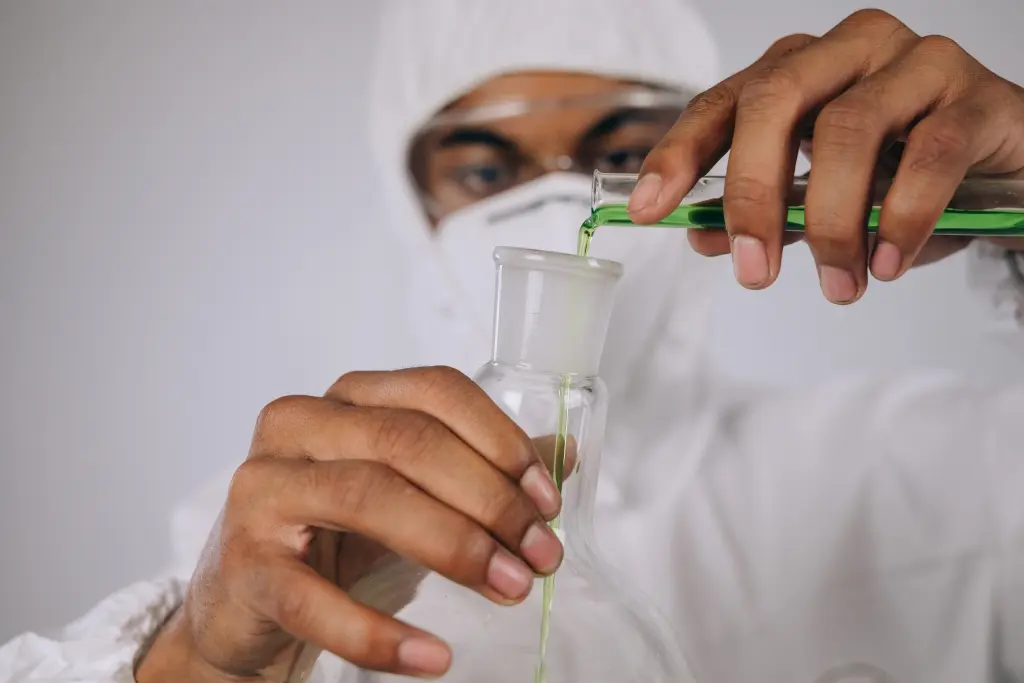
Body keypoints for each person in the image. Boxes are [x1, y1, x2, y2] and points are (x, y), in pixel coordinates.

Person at [3, 0, 1024, 681]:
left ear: (717, 157)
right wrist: (190, 663)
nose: (551, 200)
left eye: (621, 151)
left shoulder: (947, 469)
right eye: (485, 169)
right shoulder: (278, 540)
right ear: (416, 208)